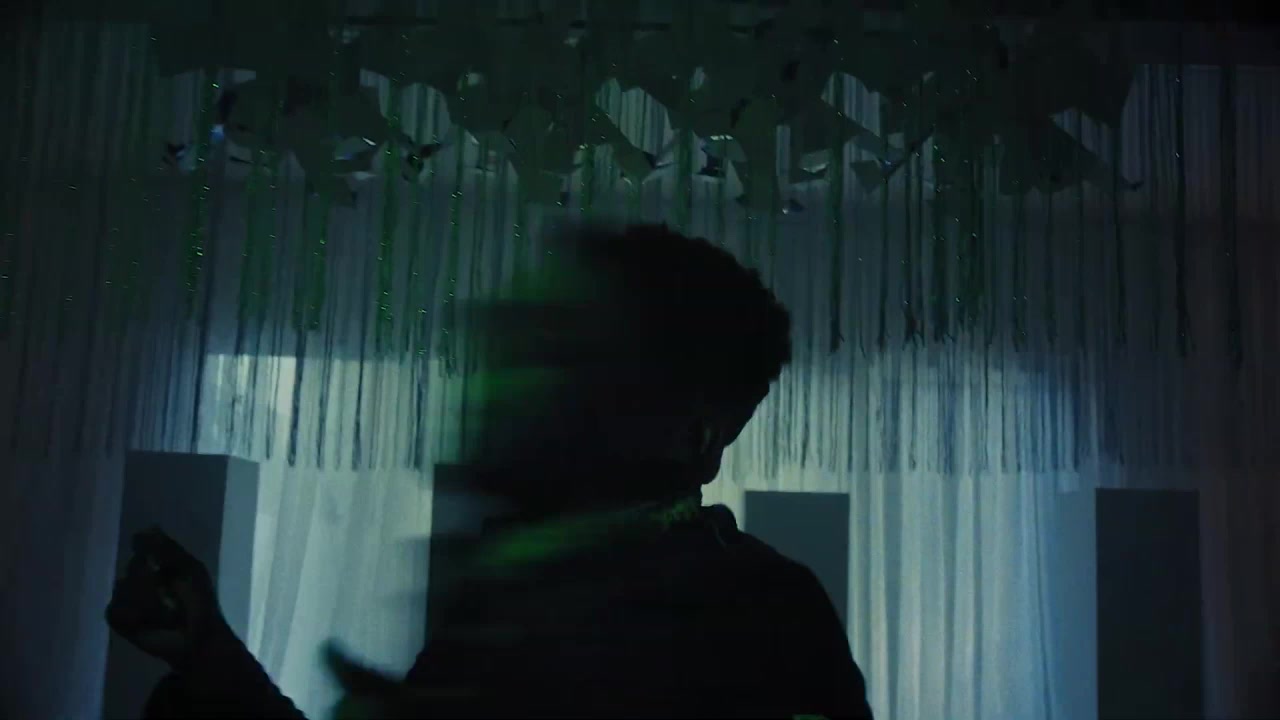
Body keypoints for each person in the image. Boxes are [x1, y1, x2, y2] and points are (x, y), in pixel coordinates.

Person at [106, 223, 874, 719]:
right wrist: (207, 655)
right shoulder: (510, 593)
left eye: (568, 358)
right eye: (512, 343)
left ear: (692, 438)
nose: (503, 386)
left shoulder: (766, 617)